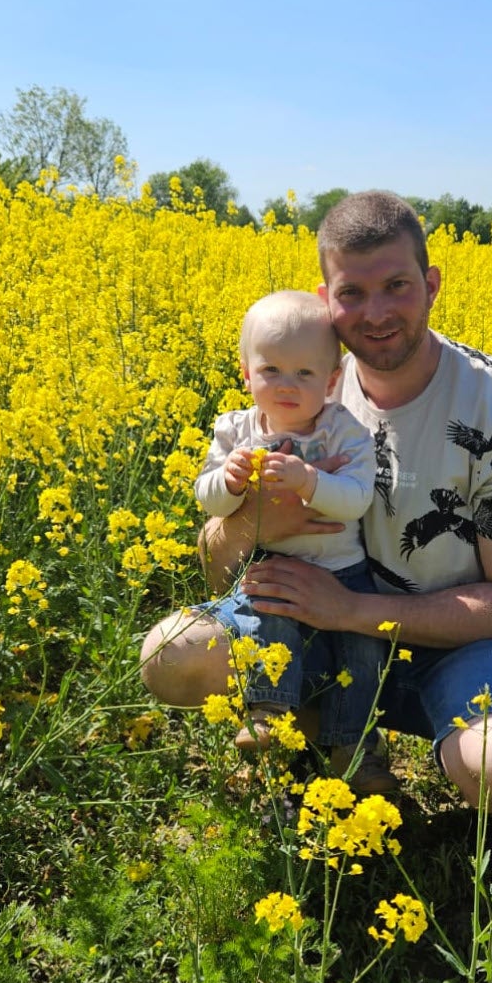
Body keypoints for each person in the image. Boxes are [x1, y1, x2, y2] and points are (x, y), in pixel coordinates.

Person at [140, 190, 492, 826]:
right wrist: (247, 524)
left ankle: (432, 745)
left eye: (397, 285)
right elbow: (216, 565)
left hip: (460, 647)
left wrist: (353, 609)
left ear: (431, 286)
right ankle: (327, 739)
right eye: (352, 293)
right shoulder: (300, 382)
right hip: (312, 632)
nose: (375, 313)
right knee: (169, 654)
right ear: (326, 301)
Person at [188, 291, 383, 765]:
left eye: (305, 373)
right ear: (246, 371)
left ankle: (355, 749)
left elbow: (357, 500)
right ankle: (268, 711)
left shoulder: (344, 431)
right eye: (271, 369)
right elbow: (206, 496)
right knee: (267, 625)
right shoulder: (235, 431)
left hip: (343, 573)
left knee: (362, 655)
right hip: (271, 565)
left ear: (333, 381)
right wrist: (229, 482)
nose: (286, 385)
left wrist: (309, 480)